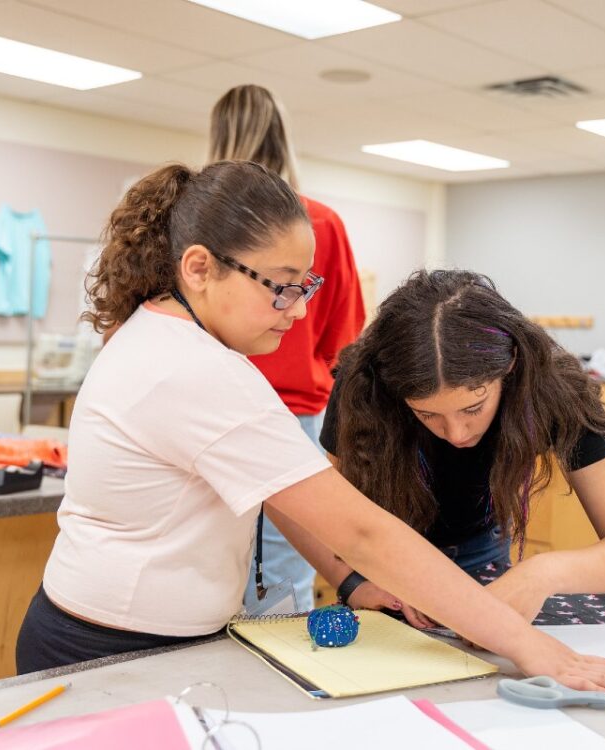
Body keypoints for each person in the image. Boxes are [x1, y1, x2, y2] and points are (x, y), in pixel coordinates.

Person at [15, 160, 605, 693]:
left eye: (306, 284)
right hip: (110, 648)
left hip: (99, 629)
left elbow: (283, 484)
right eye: (283, 287)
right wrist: (529, 649)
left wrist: (352, 583)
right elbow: (362, 530)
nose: (302, 309)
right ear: (200, 268)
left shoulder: (159, 337)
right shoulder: (200, 371)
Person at [292, 270, 605, 628]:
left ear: (510, 365)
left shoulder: (557, 390)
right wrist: (352, 583)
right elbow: (319, 513)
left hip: (481, 551)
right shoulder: (364, 384)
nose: (455, 433)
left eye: (473, 408)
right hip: (380, 561)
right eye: (426, 414)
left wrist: (541, 573)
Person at [209, 84, 366, 611]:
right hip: (295, 416)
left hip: (214, 413)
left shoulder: (201, 228)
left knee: (207, 564)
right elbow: (345, 336)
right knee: (285, 579)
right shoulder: (320, 223)